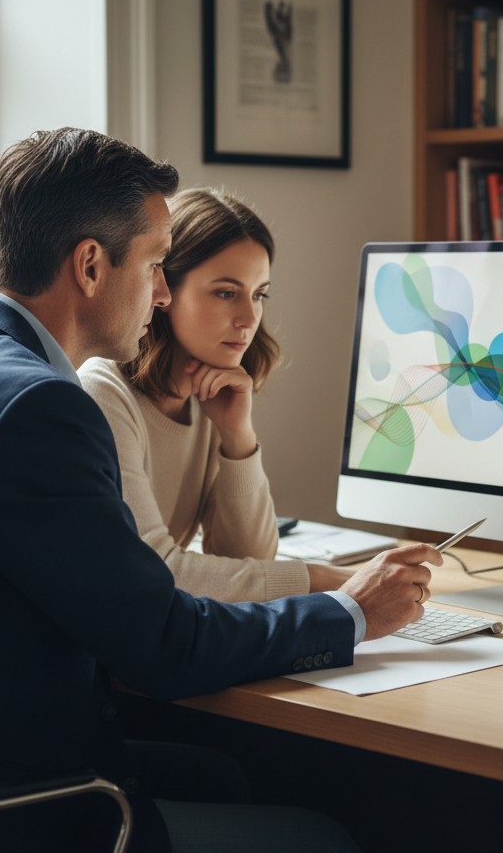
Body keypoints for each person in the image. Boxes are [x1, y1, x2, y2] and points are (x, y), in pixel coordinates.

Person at [0, 128, 442, 853]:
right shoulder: (39, 408)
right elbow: (163, 646)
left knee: (225, 777)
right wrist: (350, 612)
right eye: (154, 265)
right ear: (89, 265)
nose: (158, 292)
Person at [79, 187, 344, 604]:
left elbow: (247, 557)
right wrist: (323, 580)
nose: (248, 318)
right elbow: (155, 573)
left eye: (259, 294)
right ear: (163, 287)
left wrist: (237, 436)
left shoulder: (209, 397)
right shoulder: (103, 394)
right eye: (226, 292)